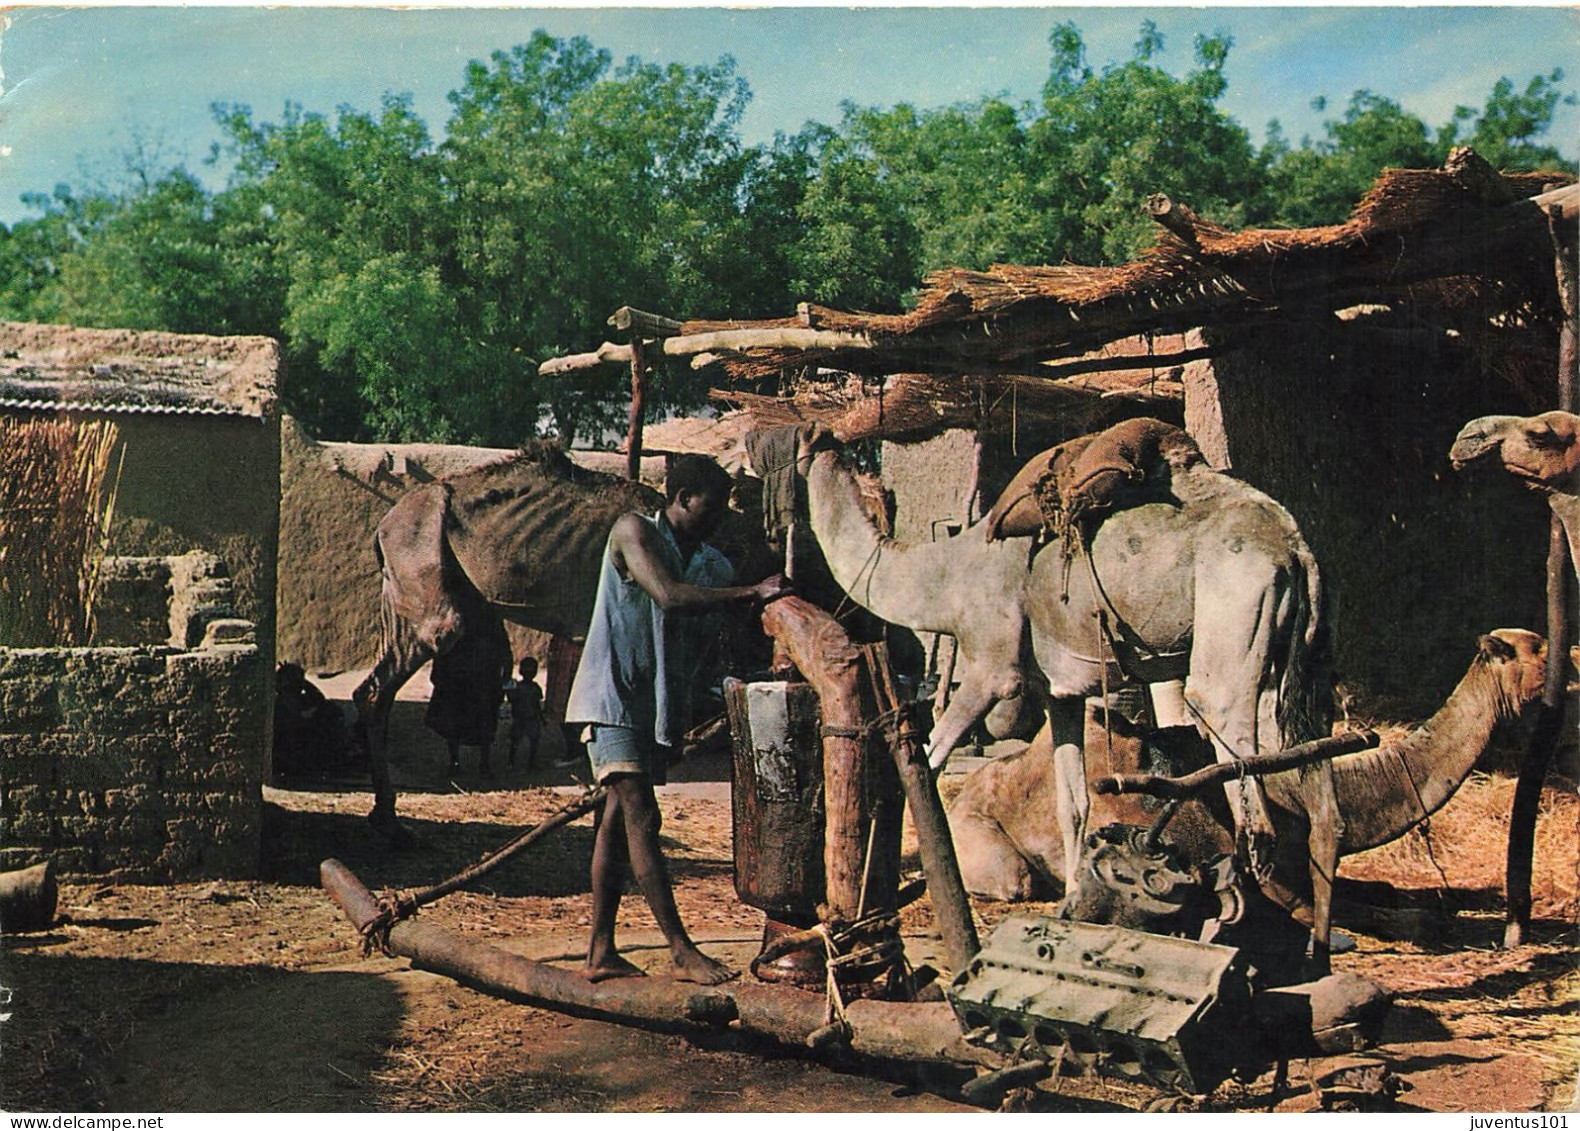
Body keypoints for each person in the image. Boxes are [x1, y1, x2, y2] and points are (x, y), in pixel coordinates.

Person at [566, 454, 788, 984]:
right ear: (682, 496)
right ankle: (681, 949)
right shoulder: (633, 532)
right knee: (643, 818)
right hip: (612, 697)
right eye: (709, 508)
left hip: (653, 709)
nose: (717, 519)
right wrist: (751, 592)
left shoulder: (710, 564)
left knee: (616, 828)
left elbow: (711, 637)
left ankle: (599, 952)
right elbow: (668, 597)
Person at [503, 656, 546, 769]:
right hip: (526, 718)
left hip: (523, 718)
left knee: (519, 741)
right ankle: (528, 763)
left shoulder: (518, 687)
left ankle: (512, 763)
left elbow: (513, 700)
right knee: (528, 741)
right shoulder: (534, 687)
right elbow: (537, 704)